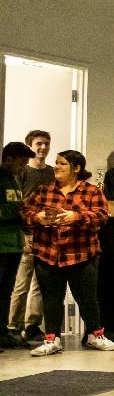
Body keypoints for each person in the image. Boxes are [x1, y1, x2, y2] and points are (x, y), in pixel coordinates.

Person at [22, 149, 112, 357]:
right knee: (51, 298)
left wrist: (76, 216)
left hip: (81, 253)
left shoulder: (91, 191)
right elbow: (24, 211)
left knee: (87, 297)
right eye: (57, 162)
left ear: (77, 168)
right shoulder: (43, 191)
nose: (57, 167)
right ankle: (51, 339)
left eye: (62, 163)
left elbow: (102, 216)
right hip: (47, 253)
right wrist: (38, 217)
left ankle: (95, 335)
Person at [8, 129, 51, 342]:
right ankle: (12, 325)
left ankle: (32, 324)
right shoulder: (21, 172)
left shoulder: (51, 172)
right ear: (31, 146)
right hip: (27, 233)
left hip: (46, 235)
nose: (43, 148)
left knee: (40, 283)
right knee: (21, 282)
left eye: (46, 143)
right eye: (39, 144)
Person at [0, 142, 34, 348]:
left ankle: (2, 331)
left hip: (13, 244)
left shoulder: (13, 179)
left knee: (6, 291)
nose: (22, 167)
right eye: (20, 163)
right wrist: (15, 212)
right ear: (8, 158)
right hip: (1, 244)